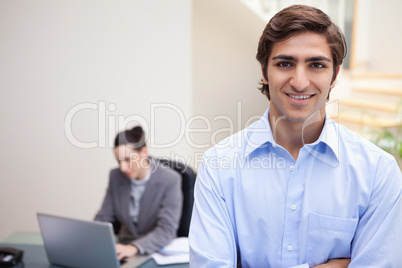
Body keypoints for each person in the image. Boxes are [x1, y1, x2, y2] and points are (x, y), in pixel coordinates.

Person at [189, 5, 402, 268]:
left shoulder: (377, 172)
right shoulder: (218, 167)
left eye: (316, 65)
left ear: (334, 75)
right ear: (264, 72)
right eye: (285, 63)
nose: (299, 82)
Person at [95, 126, 183, 260]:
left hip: (156, 249)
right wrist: (90, 239)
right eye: (119, 161)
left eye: (128, 159)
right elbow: (103, 218)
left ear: (144, 152)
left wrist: (134, 248)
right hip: (124, 247)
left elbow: (166, 230)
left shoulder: (170, 179)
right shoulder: (115, 176)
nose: (123, 168)